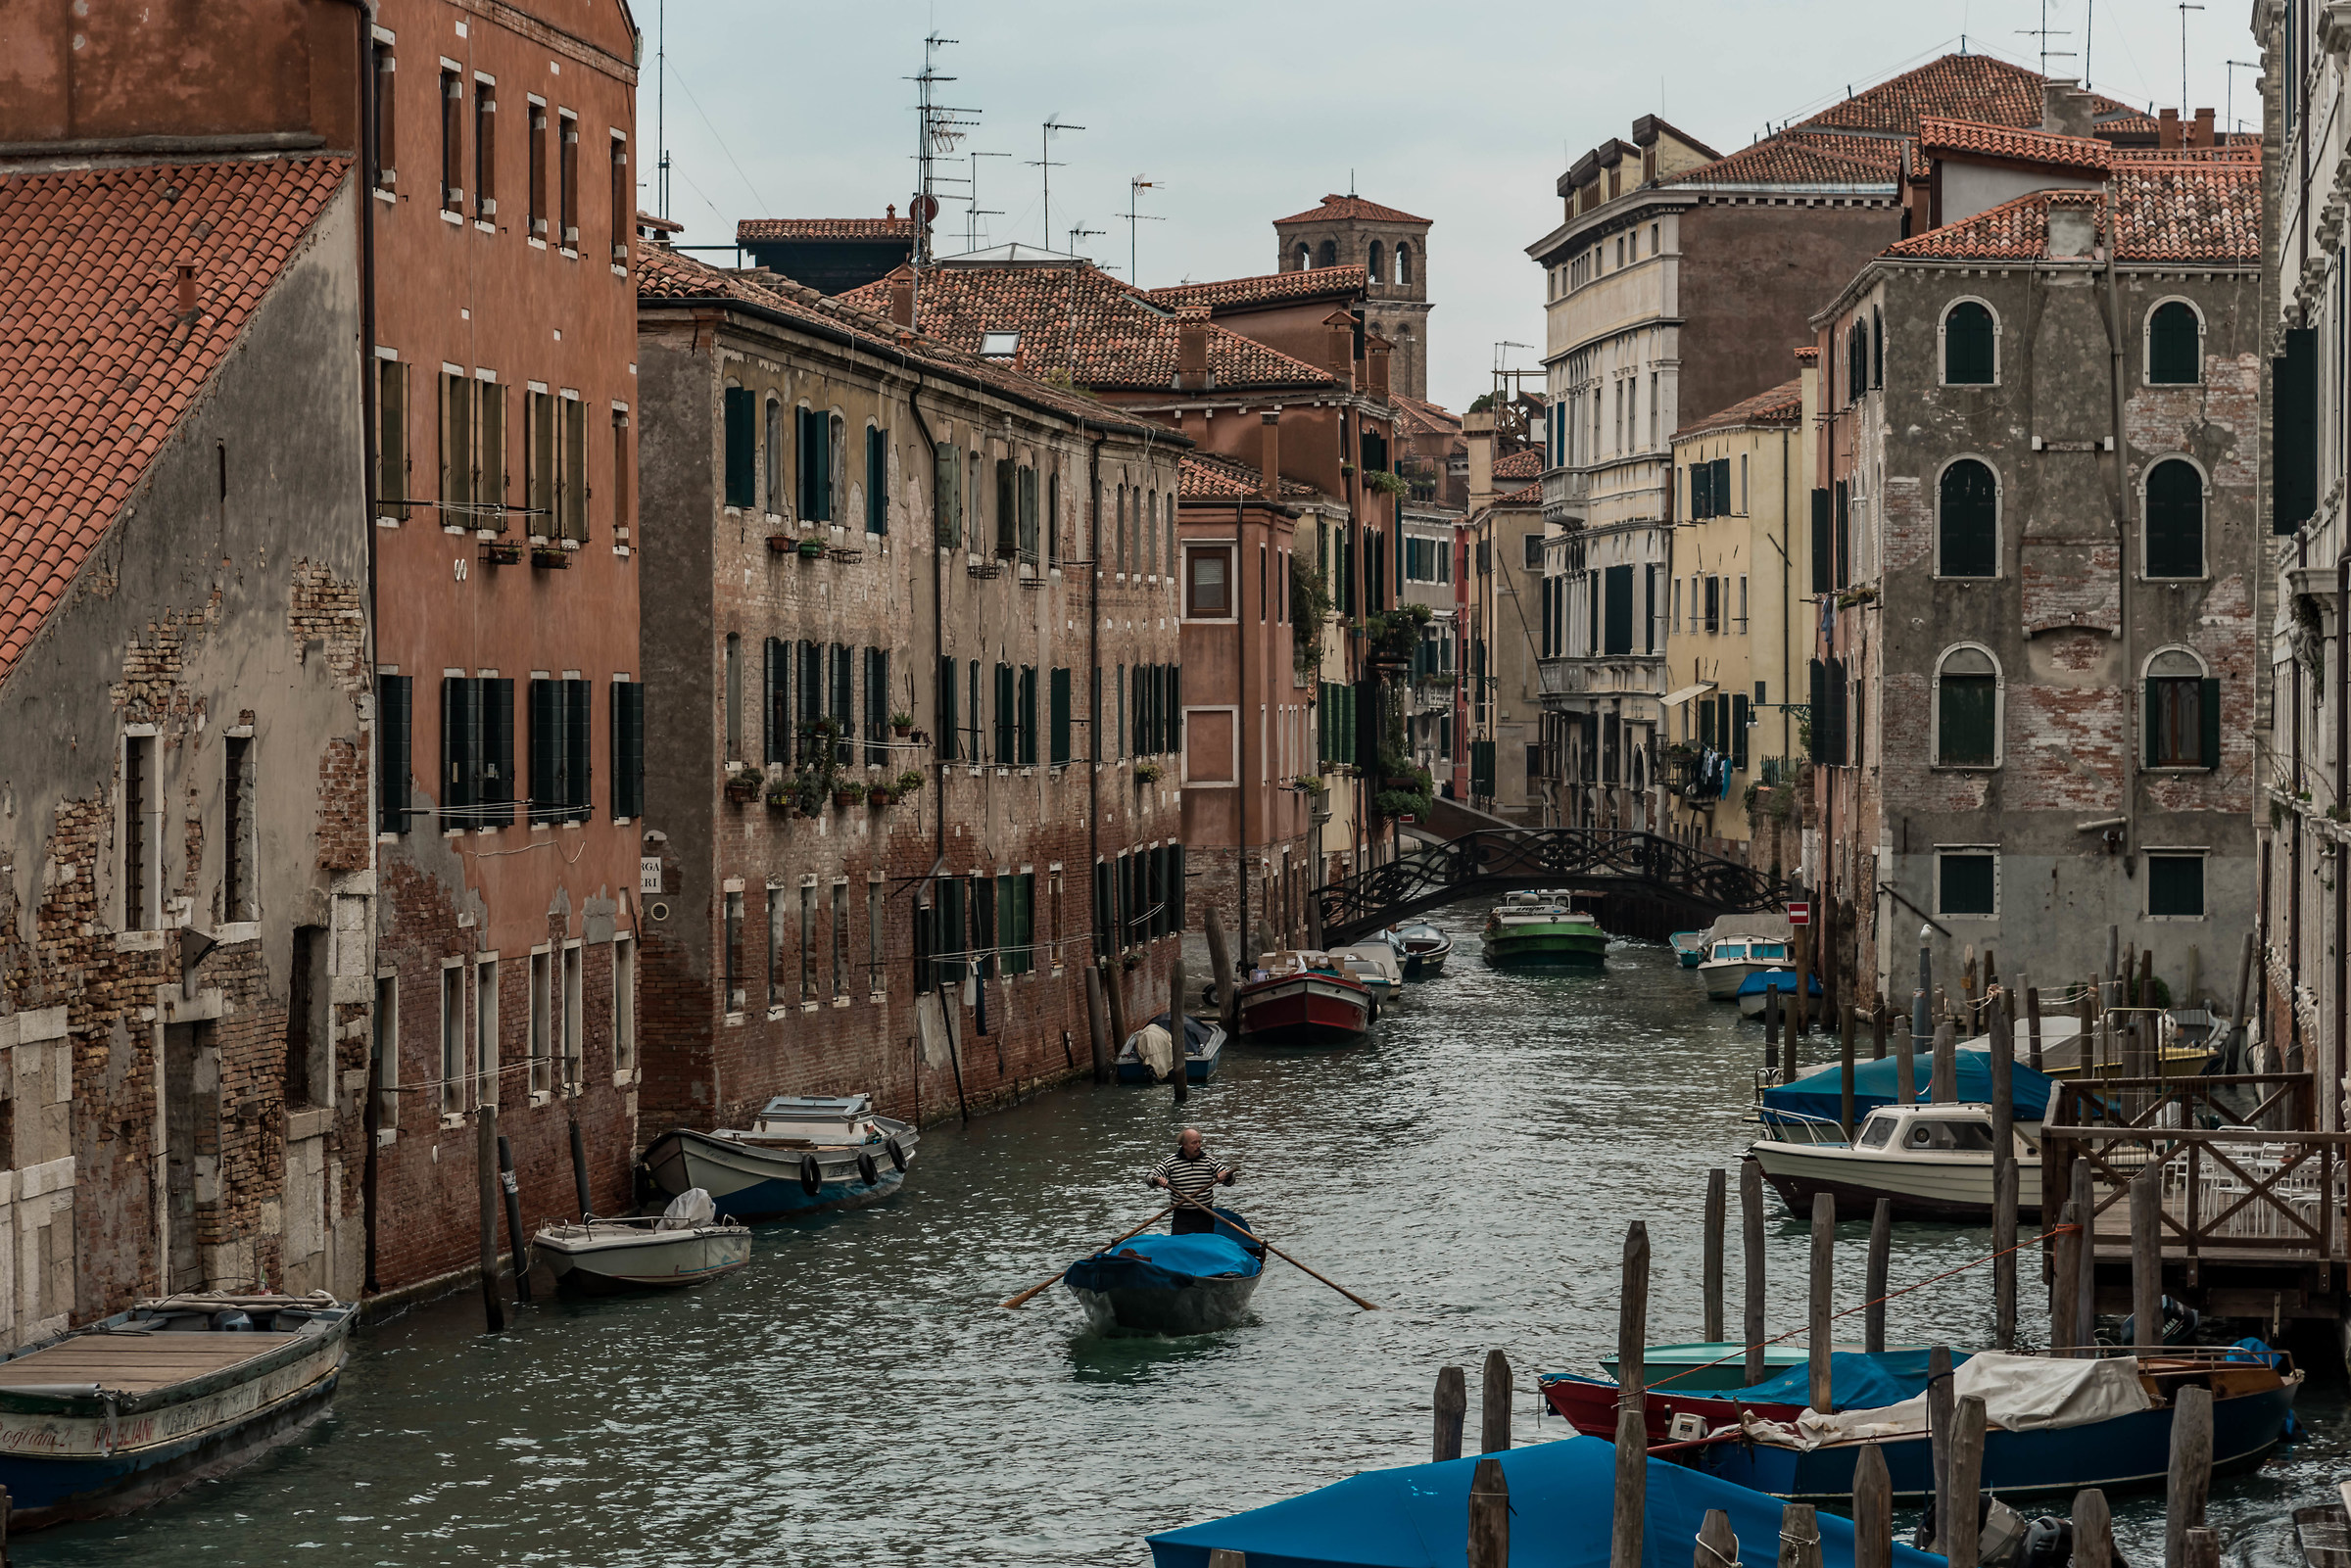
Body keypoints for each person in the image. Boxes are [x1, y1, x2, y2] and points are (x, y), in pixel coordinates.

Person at [1145, 1127, 1236, 1234]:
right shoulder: (1171, 1162)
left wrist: (1226, 1176)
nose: (1198, 1146)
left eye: (1199, 1142)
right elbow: (1149, 1177)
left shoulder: (1209, 1161)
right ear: (1183, 1145)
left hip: (1205, 1216)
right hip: (1182, 1217)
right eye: (1194, 1143)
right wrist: (1158, 1180)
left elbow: (1231, 1181)